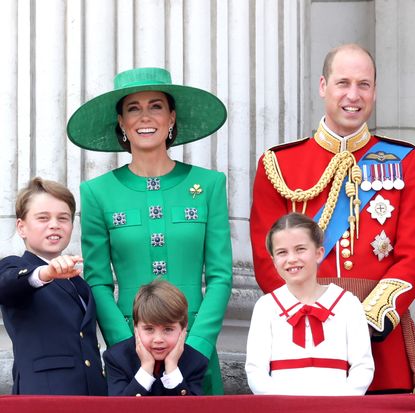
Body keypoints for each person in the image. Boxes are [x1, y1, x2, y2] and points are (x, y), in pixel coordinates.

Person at [250, 43, 415, 393]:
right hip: (302, 339)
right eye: (343, 83)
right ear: (323, 86)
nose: (353, 95)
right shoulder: (277, 165)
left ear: (374, 90)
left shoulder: (405, 162)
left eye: (364, 84)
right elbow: (268, 258)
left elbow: (411, 254)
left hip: (380, 338)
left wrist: (369, 318)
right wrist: (309, 314)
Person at [67, 67, 232, 395]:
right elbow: (98, 280)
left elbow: (220, 276)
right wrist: (126, 345)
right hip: (130, 350)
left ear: (171, 117)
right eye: (133, 108)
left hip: (194, 341)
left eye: (156, 106)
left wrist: (197, 343)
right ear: (121, 122)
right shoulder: (96, 192)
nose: (146, 116)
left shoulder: (210, 185)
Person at [245, 212, 374, 395]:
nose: (291, 259)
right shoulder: (266, 307)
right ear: (274, 261)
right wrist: (281, 404)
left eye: (300, 249)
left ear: (319, 253)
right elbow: (255, 370)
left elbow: (363, 366)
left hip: (338, 408)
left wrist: (341, 403)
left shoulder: (347, 304)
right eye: (282, 252)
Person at [0, 177, 107, 395]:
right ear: (21, 227)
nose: (54, 225)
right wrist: (46, 273)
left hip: (92, 394)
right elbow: (7, 284)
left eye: (63, 218)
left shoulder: (78, 281)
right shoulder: (15, 267)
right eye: (43, 218)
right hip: (44, 395)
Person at [104, 280, 208, 396]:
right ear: (136, 327)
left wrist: (172, 368)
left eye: (168, 329)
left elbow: (192, 408)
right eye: (149, 329)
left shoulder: (195, 361)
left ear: (183, 328)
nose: (158, 339)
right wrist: (146, 368)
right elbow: (118, 408)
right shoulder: (117, 358)